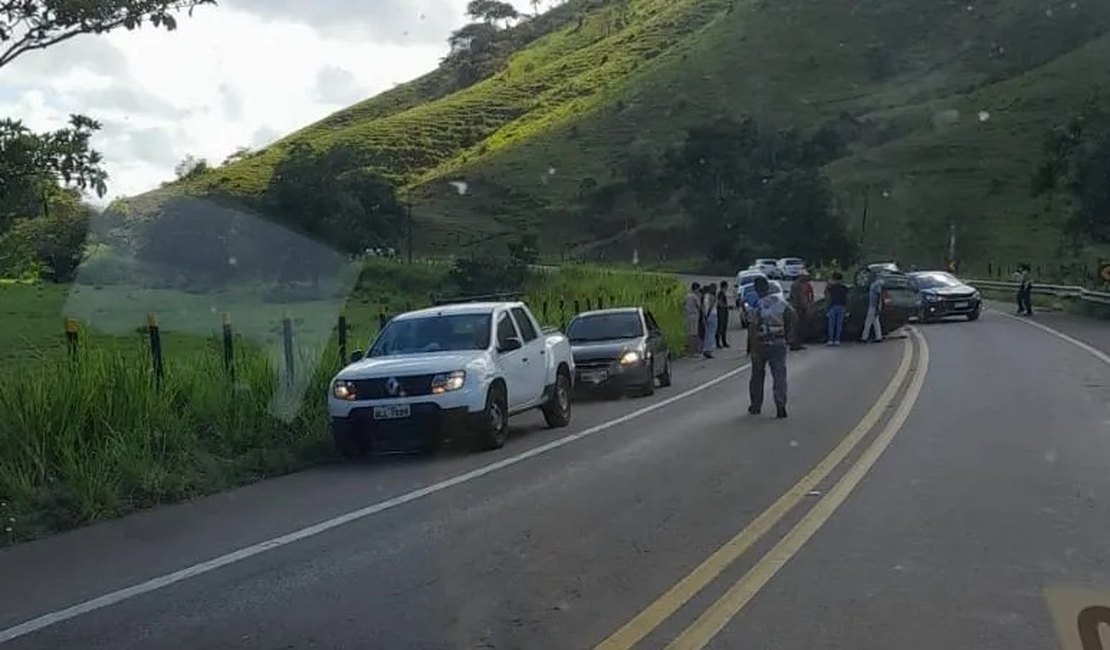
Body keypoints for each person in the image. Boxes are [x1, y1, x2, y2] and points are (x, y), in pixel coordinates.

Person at [748, 276, 795, 418]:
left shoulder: (757, 304)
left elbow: (752, 327)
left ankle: (756, 405)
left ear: (757, 289)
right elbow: (792, 316)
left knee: (757, 376)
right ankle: (780, 405)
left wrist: (752, 348)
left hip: (761, 343)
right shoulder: (781, 302)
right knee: (779, 376)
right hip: (778, 342)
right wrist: (788, 335)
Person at [788, 272, 814, 351]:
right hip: (798, 308)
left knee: (797, 327)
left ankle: (797, 343)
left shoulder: (796, 284)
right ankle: (795, 343)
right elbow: (801, 298)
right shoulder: (798, 285)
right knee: (797, 327)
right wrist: (806, 308)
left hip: (796, 307)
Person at [824, 272, 849, 346]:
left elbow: (828, 298)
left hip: (833, 306)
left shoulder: (831, 288)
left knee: (831, 324)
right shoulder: (844, 288)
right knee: (839, 325)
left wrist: (827, 308)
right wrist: (847, 309)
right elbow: (847, 299)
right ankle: (837, 339)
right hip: (842, 306)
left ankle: (830, 339)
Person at [861, 272, 884, 343]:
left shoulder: (875, 285)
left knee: (868, 322)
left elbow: (878, 296)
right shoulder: (875, 284)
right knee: (875, 321)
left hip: (873, 306)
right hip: (873, 305)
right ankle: (878, 336)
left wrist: (877, 307)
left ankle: (864, 337)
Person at [684, 282, 702, 355]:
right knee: (693, 334)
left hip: (687, 315)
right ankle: (693, 351)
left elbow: (682, 304)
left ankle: (688, 349)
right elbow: (699, 306)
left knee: (688, 333)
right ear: (696, 289)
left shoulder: (687, 296)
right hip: (694, 315)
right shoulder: (695, 297)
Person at [701, 284, 717, 359]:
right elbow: (709, 306)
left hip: (707, 315)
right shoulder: (711, 297)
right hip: (712, 315)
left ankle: (705, 348)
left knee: (707, 333)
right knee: (711, 333)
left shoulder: (705, 296)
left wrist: (705, 316)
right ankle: (709, 350)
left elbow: (704, 307)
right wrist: (707, 315)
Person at [716, 280, 731, 348]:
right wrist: (727, 306)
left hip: (724, 311)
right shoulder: (720, 294)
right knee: (720, 327)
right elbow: (719, 303)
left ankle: (724, 341)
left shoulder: (722, 294)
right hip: (721, 312)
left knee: (724, 327)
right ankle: (718, 342)